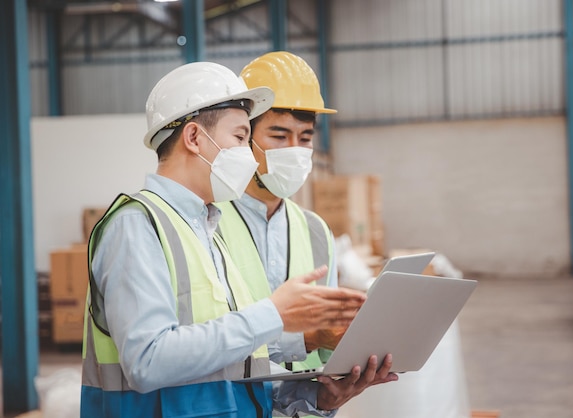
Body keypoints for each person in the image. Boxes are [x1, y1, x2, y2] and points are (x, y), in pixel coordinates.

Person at [80, 61, 397, 418]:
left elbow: (230, 360)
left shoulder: (203, 229)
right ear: (195, 137)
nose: (249, 156)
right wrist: (275, 314)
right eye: (242, 138)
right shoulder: (137, 226)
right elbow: (147, 362)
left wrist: (316, 399)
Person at [215, 51, 345, 373]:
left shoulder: (316, 231)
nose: (295, 151)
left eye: (305, 138)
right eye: (278, 136)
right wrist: (307, 337)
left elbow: (328, 351)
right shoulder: (206, 222)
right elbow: (208, 341)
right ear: (244, 138)